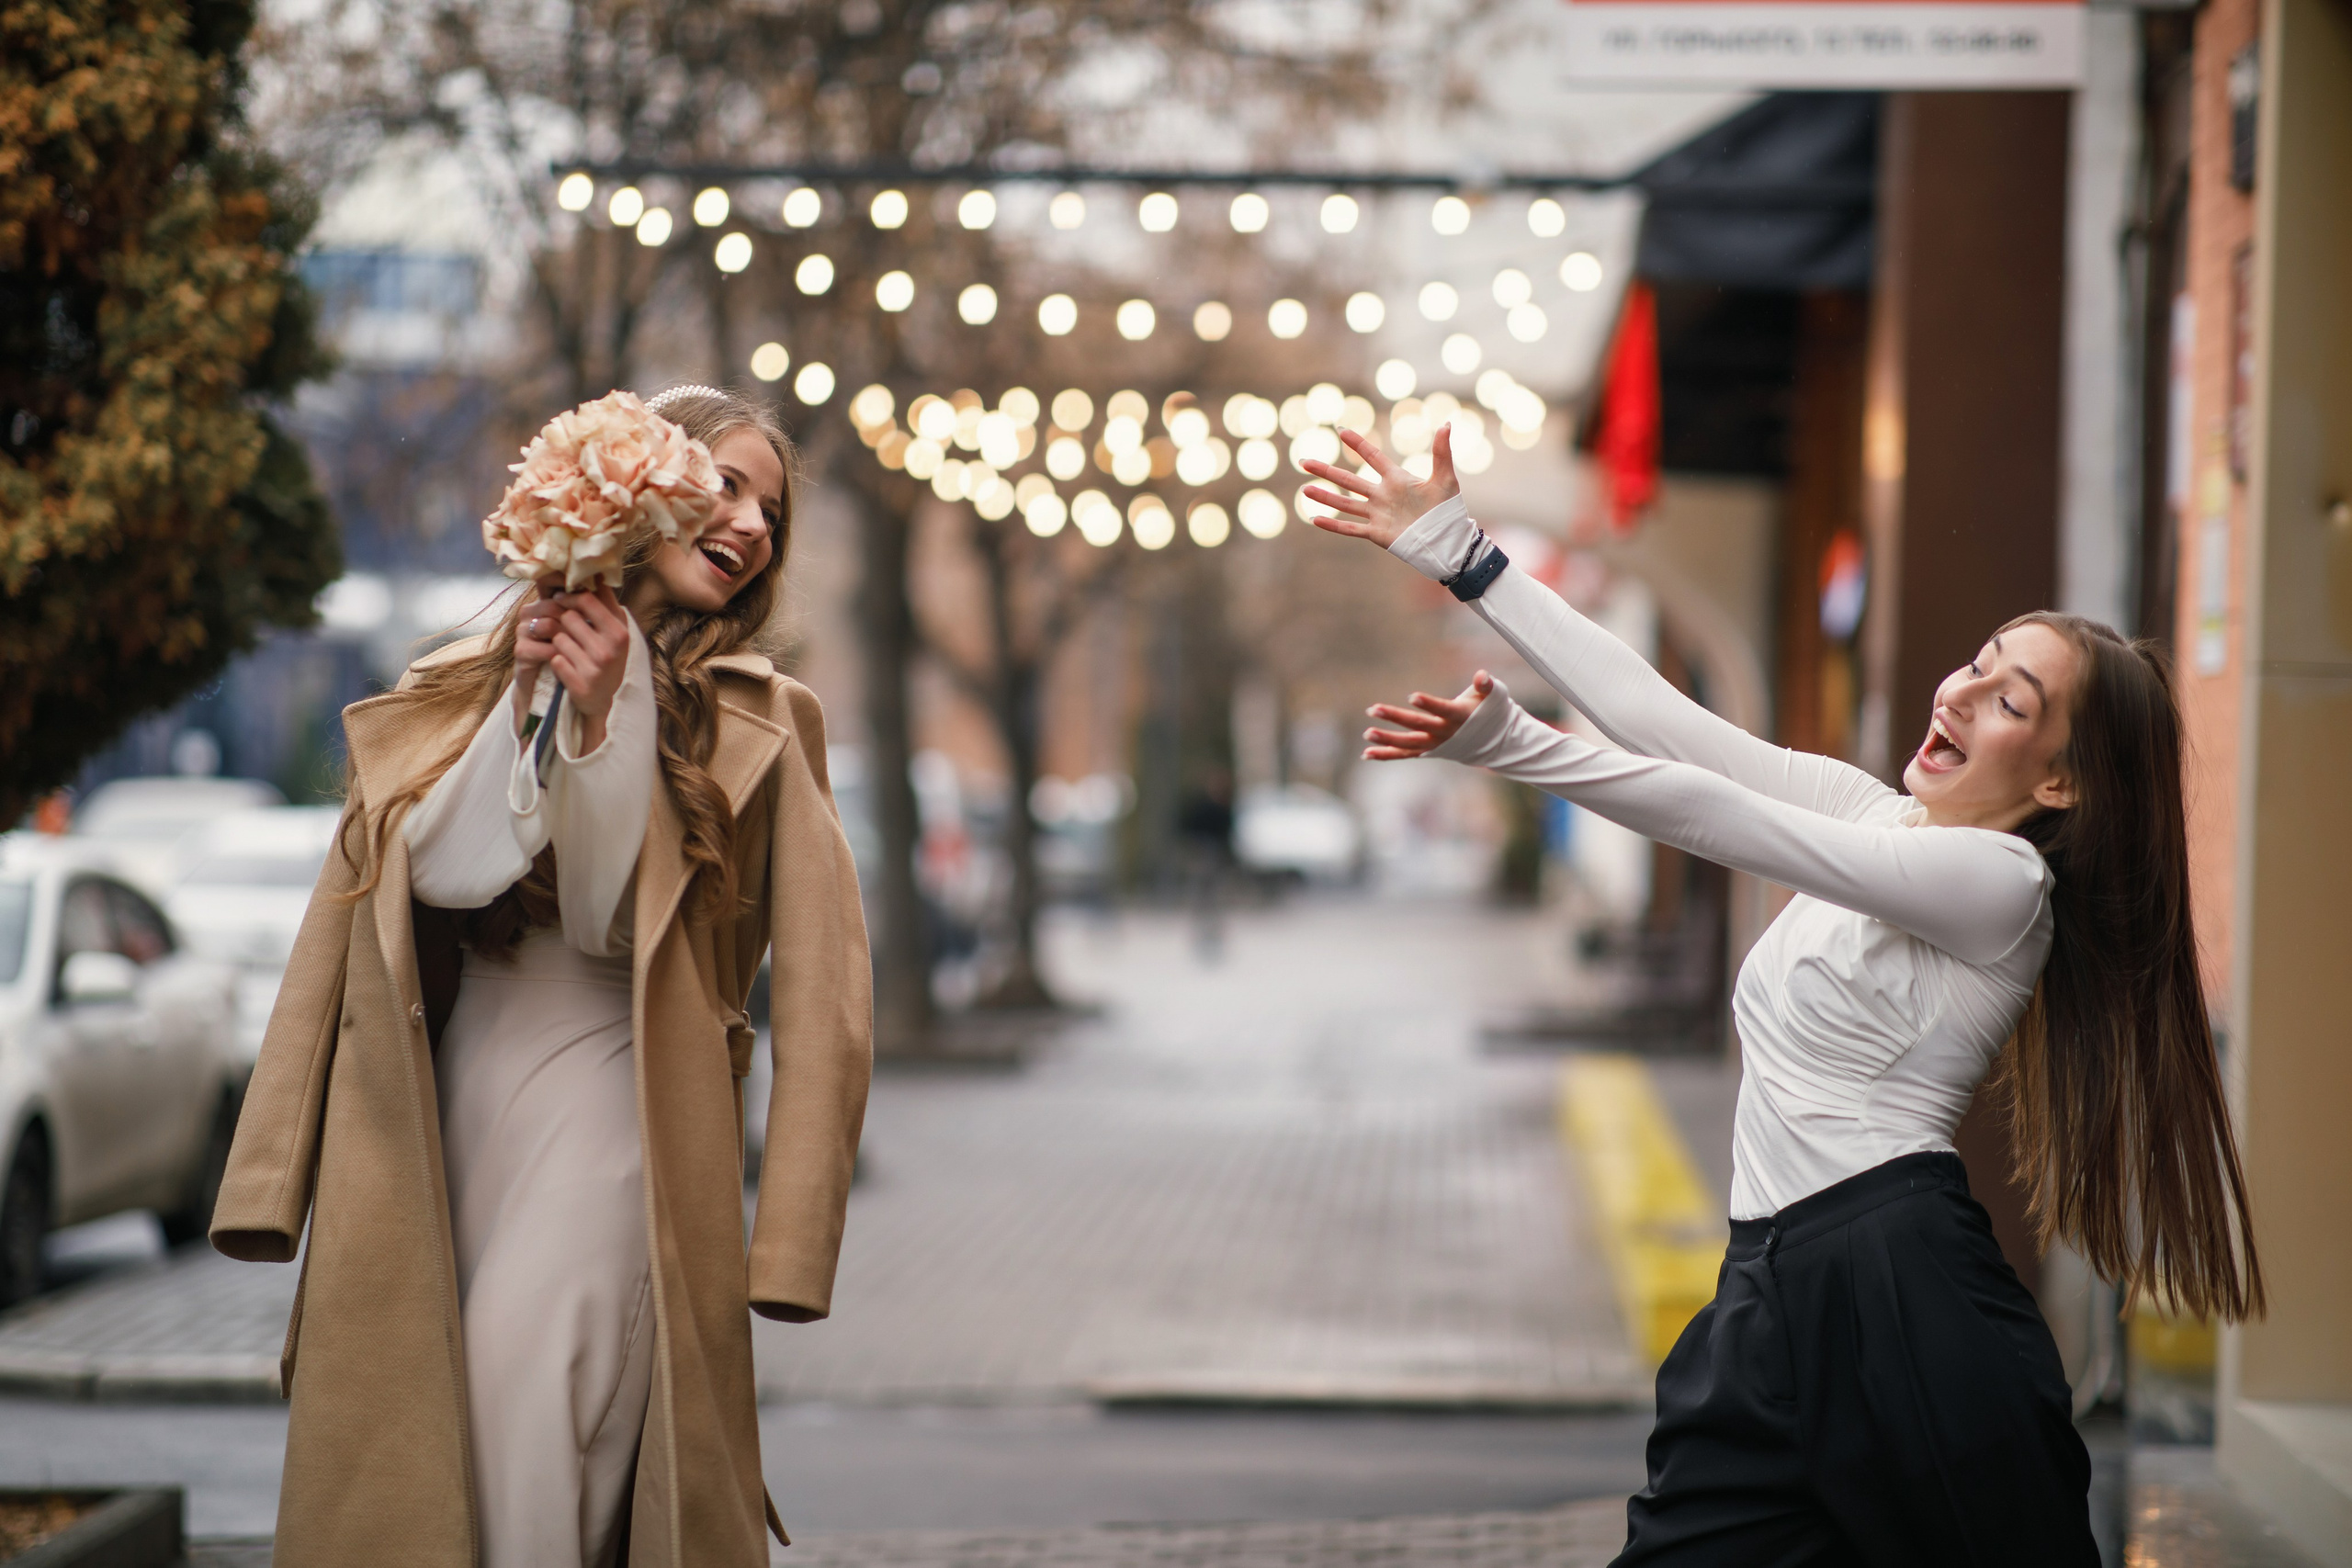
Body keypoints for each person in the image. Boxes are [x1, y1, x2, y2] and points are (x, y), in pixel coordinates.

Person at [1302, 426, 2262, 1567]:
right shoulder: (1874, 815)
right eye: (1977, 662)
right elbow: (1669, 726)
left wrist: (1519, 745)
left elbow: (1725, 817)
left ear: (2058, 781)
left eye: (2010, 702)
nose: (1959, 694)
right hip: (1766, 1289)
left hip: (1900, 1291)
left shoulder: (2001, 886)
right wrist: (1458, 551)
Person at [209, 386, 873, 1568]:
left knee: (532, 1441)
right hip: (444, 1107)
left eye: (770, 509)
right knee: (425, 1449)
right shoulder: (470, 675)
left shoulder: (769, 719)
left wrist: (795, 1238)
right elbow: (436, 883)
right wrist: (527, 703)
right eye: (727, 485)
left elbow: (786, 979)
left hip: (626, 1103)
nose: (756, 525)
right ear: (632, 484)